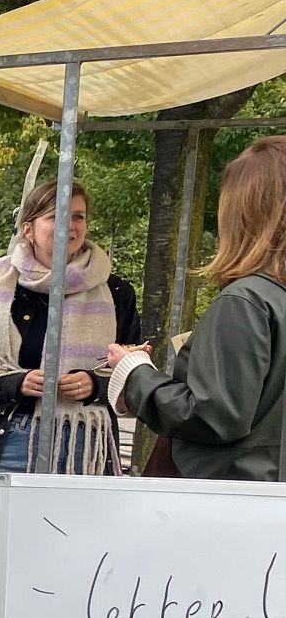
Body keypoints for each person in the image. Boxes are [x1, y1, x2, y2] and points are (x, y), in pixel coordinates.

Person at [0, 180, 140, 618]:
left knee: (79, 584)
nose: (71, 227)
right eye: (58, 216)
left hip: (86, 448)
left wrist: (94, 385)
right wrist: (17, 384)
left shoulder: (116, 290)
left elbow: (134, 372)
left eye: (78, 217)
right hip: (11, 442)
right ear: (29, 226)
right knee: (4, 586)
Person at [109, 135, 286, 481]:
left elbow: (214, 415)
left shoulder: (246, 302)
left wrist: (135, 374)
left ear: (244, 211)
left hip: (226, 504)